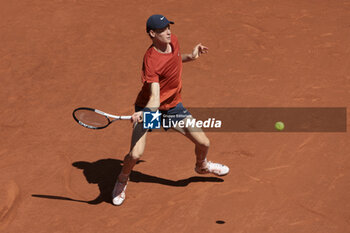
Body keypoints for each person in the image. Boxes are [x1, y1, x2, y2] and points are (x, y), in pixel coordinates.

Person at [112, 14, 229, 206]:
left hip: (173, 107)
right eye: (162, 29)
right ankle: (122, 178)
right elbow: (155, 99)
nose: (168, 32)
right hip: (150, 108)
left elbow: (174, 60)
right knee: (135, 155)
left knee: (204, 143)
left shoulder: (173, 41)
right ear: (152, 33)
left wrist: (190, 57)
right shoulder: (150, 61)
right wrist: (144, 113)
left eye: (168, 27)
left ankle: (201, 166)